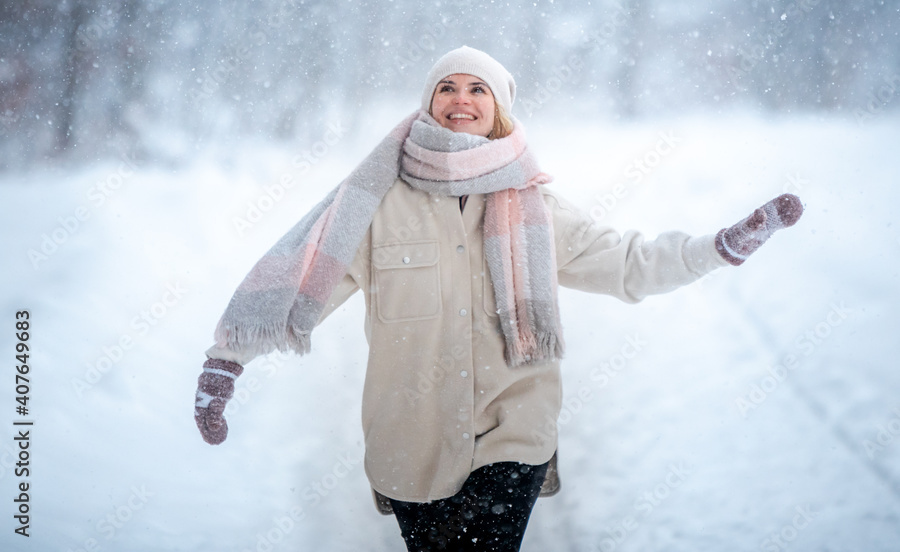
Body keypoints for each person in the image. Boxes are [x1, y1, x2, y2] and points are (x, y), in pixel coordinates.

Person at [194, 46, 803, 551]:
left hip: (514, 432)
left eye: (478, 89)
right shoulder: (375, 205)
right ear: (429, 103)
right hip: (413, 440)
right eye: (448, 87)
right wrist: (227, 360)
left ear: (499, 110)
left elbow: (627, 263)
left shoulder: (535, 207)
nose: (461, 99)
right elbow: (304, 279)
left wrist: (720, 246)